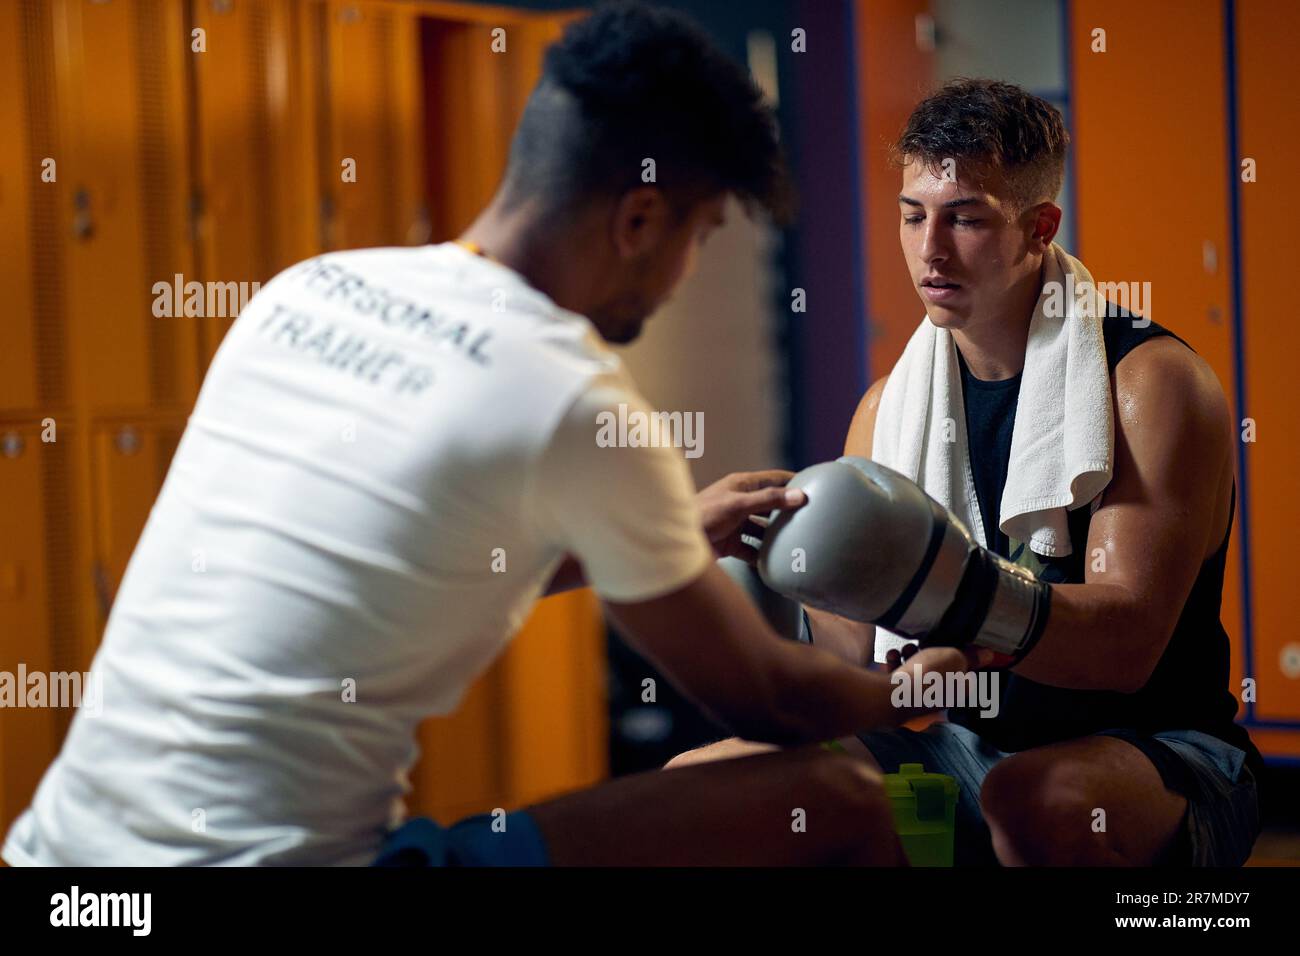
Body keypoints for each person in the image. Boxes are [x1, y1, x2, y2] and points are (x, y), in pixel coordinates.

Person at [2, 1, 973, 868]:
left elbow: (402, 560)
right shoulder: (566, 391)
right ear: (639, 217)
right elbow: (775, 700)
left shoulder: (307, 290)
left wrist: (668, 531)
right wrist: (920, 686)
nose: (684, 271)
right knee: (832, 796)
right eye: (699, 233)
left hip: (60, 856)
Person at [673, 79, 1263, 868]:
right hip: (963, 745)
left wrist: (959, 596)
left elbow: (1123, 651)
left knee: (1034, 802)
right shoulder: (889, 409)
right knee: (700, 788)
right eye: (913, 216)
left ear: (1039, 227)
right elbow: (858, 665)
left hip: (1157, 754)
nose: (932, 250)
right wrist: (808, 562)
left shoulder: (1148, 386)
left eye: (967, 218)